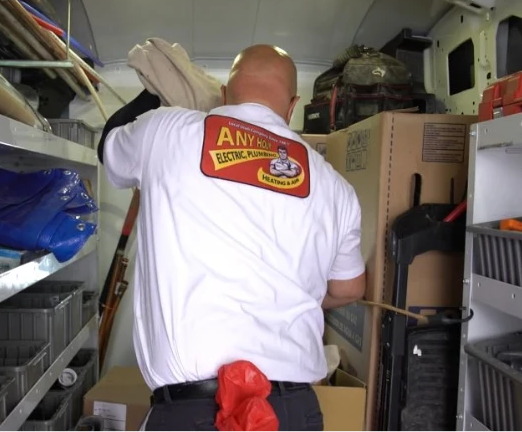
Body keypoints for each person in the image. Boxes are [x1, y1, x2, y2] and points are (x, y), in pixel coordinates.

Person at [101, 44, 366, 432]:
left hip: (194, 413)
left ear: (223, 96)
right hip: (291, 413)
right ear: (292, 106)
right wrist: (297, 296)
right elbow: (350, 288)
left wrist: (152, 94)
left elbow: (108, 148)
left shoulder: (165, 130)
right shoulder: (335, 187)